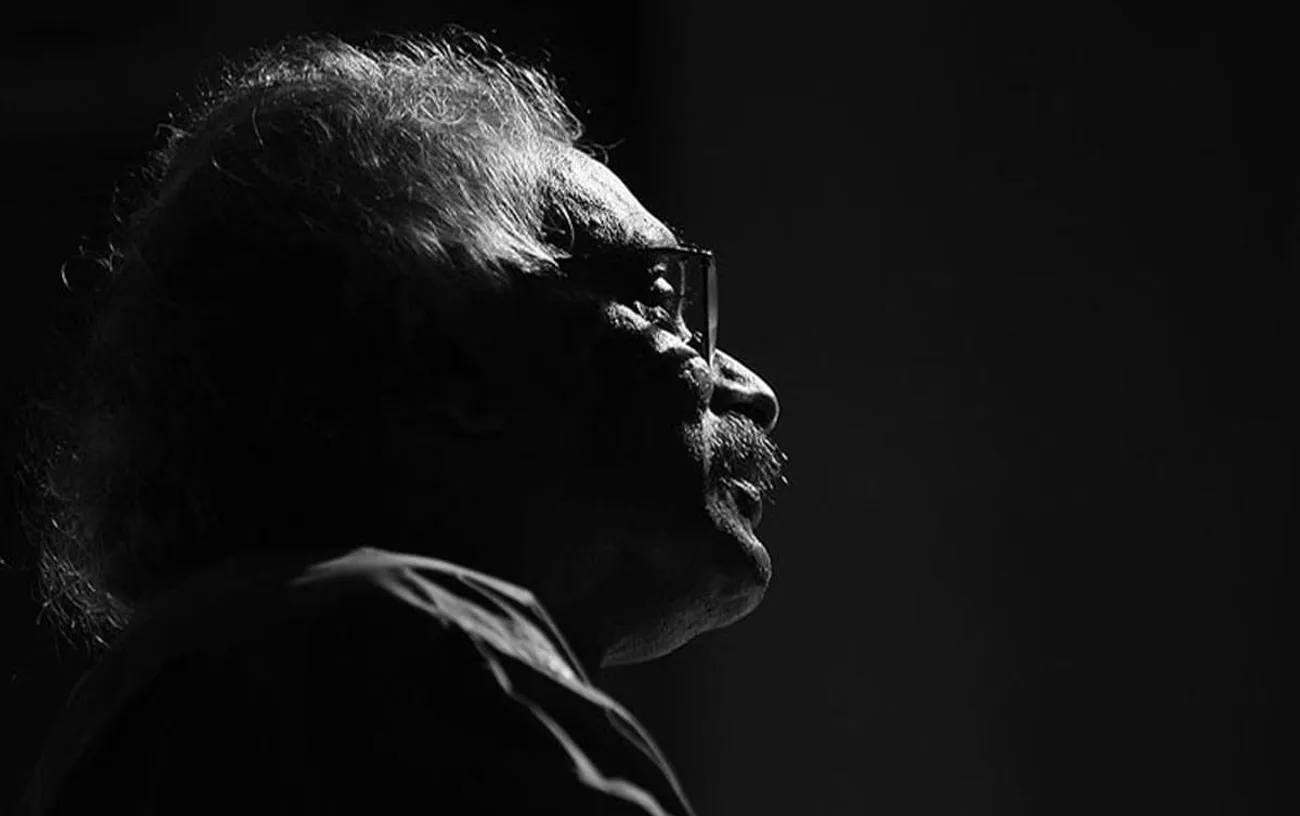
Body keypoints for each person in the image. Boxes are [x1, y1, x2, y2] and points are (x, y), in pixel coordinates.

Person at [19, 31, 784, 815]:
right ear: (446, 346)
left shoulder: (207, 683)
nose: (754, 392)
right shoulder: (396, 649)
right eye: (657, 297)